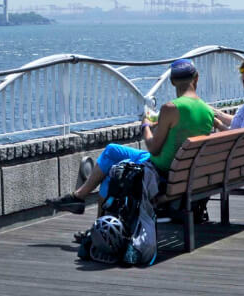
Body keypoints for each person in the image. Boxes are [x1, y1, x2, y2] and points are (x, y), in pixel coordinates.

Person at [48, 58, 216, 210]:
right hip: (185, 170)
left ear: (172, 81)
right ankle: (79, 198)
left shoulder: (170, 108)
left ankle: (85, 208)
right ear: (197, 78)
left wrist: (145, 126)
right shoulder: (207, 111)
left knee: (111, 168)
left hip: (161, 169)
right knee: (112, 151)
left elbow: (154, 149)